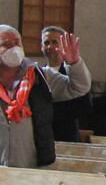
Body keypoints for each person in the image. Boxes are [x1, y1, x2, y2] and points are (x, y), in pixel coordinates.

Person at [0, 25, 90, 167]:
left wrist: (74, 63)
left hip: (32, 166)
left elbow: (79, 87)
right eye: (6, 44)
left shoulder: (40, 76)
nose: (13, 48)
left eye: (17, 42)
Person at [40, 26, 94, 142]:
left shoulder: (76, 73)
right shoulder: (39, 74)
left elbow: (85, 105)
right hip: (43, 136)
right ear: (41, 46)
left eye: (55, 42)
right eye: (46, 43)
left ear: (63, 45)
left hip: (66, 134)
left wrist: (47, 111)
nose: (50, 46)